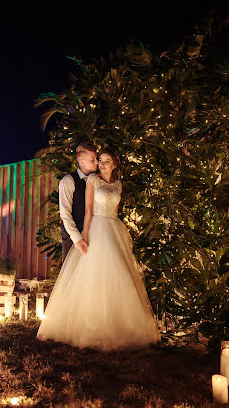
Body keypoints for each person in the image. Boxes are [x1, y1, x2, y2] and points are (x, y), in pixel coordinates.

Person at [37, 147, 160, 351]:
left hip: (113, 228)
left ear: (114, 164)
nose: (101, 164)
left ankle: (117, 324)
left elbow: (116, 211)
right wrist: (85, 236)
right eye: (99, 160)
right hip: (96, 228)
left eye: (105, 161)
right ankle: (82, 324)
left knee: (117, 275)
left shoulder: (118, 184)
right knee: (89, 276)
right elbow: (88, 210)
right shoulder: (91, 181)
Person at [59, 142, 98, 263]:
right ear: (82, 161)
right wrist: (77, 239)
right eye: (93, 159)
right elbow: (65, 213)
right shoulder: (68, 181)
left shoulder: (98, 180)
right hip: (73, 235)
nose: (97, 162)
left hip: (94, 232)